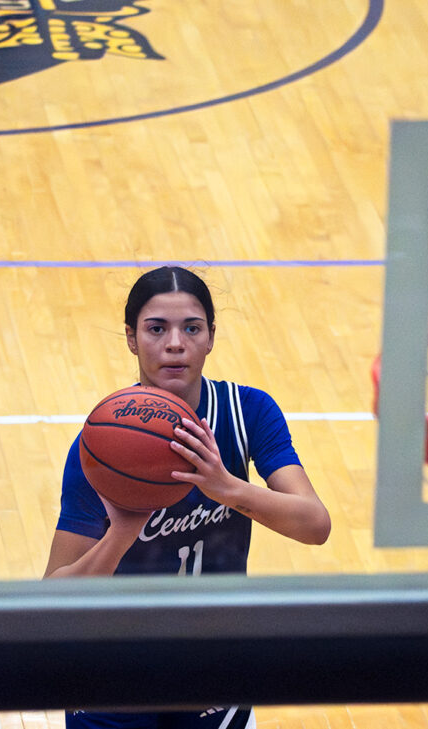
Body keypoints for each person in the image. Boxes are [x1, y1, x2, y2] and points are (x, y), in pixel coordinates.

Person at [44, 265, 331, 729]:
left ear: (211, 336)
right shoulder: (100, 447)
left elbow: (315, 525)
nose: (175, 343)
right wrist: (121, 534)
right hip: (113, 661)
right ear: (132, 339)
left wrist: (227, 487)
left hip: (212, 654)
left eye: (191, 328)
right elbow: (52, 599)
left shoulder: (247, 412)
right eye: (157, 328)